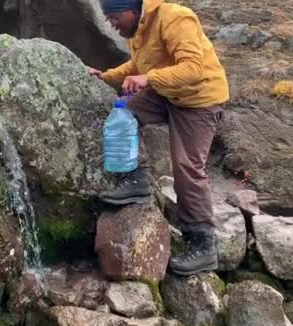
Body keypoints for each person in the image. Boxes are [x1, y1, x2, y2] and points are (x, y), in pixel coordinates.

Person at [91, 0, 229, 275]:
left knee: (187, 167)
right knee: (125, 115)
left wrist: (149, 79)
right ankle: (136, 179)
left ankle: (201, 243)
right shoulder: (138, 29)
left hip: (200, 100)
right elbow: (136, 63)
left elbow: (194, 69)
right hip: (168, 92)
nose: (112, 24)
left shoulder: (176, 18)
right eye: (107, 19)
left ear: (131, 9)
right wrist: (105, 77)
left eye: (114, 16)